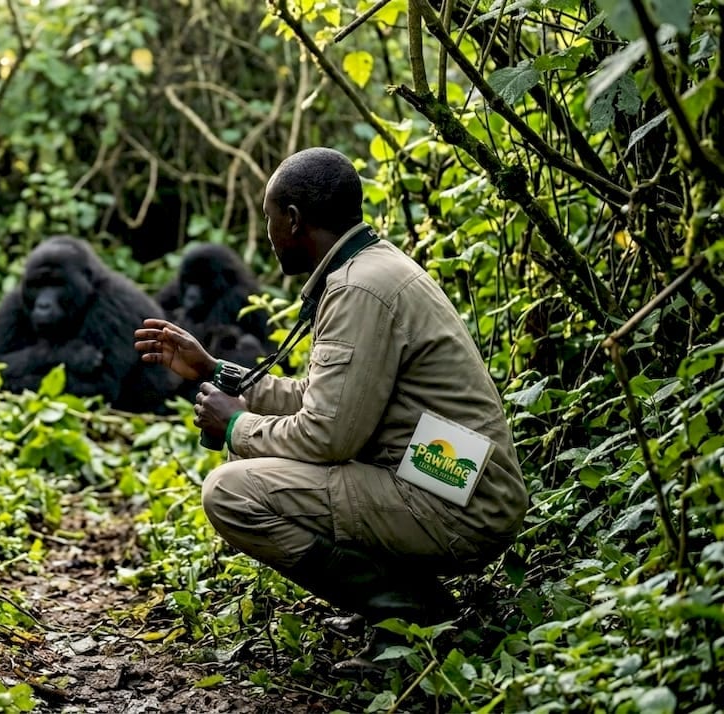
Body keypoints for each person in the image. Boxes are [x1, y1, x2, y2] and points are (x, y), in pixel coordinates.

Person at [134, 147, 529, 677]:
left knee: (229, 493)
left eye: (270, 218)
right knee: (265, 476)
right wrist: (215, 370)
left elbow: (327, 437)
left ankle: (409, 612)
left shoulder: (359, 287)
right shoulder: (373, 267)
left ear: (293, 219)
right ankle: (404, 604)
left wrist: (235, 425)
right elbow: (331, 399)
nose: (269, 234)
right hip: (456, 478)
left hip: (457, 499)